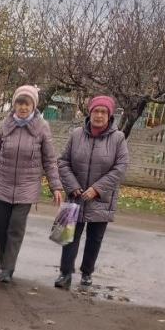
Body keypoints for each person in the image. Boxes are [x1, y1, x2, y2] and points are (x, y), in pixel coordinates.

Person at [0, 85, 63, 283]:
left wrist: (56, 187)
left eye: (27, 103)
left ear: (33, 105)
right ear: (15, 104)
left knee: (15, 228)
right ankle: (4, 265)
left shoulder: (42, 127)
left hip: (27, 187)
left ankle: (8, 269)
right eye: (19, 103)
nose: (23, 107)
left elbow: (50, 160)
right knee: (2, 229)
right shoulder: (6, 125)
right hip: (3, 184)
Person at [54, 95, 130, 289]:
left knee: (95, 238)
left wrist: (97, 189)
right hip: (76, 195)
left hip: (102, 198)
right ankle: (65, 273)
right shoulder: (76, 134)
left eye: (103, 112)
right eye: (96, 111)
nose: (99, 115)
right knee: (68, 235)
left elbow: (120, 167)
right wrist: (72, 186)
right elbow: (63, 162)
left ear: (110, 115)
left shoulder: (118, 138)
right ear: (90, 113)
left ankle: (87, 273)